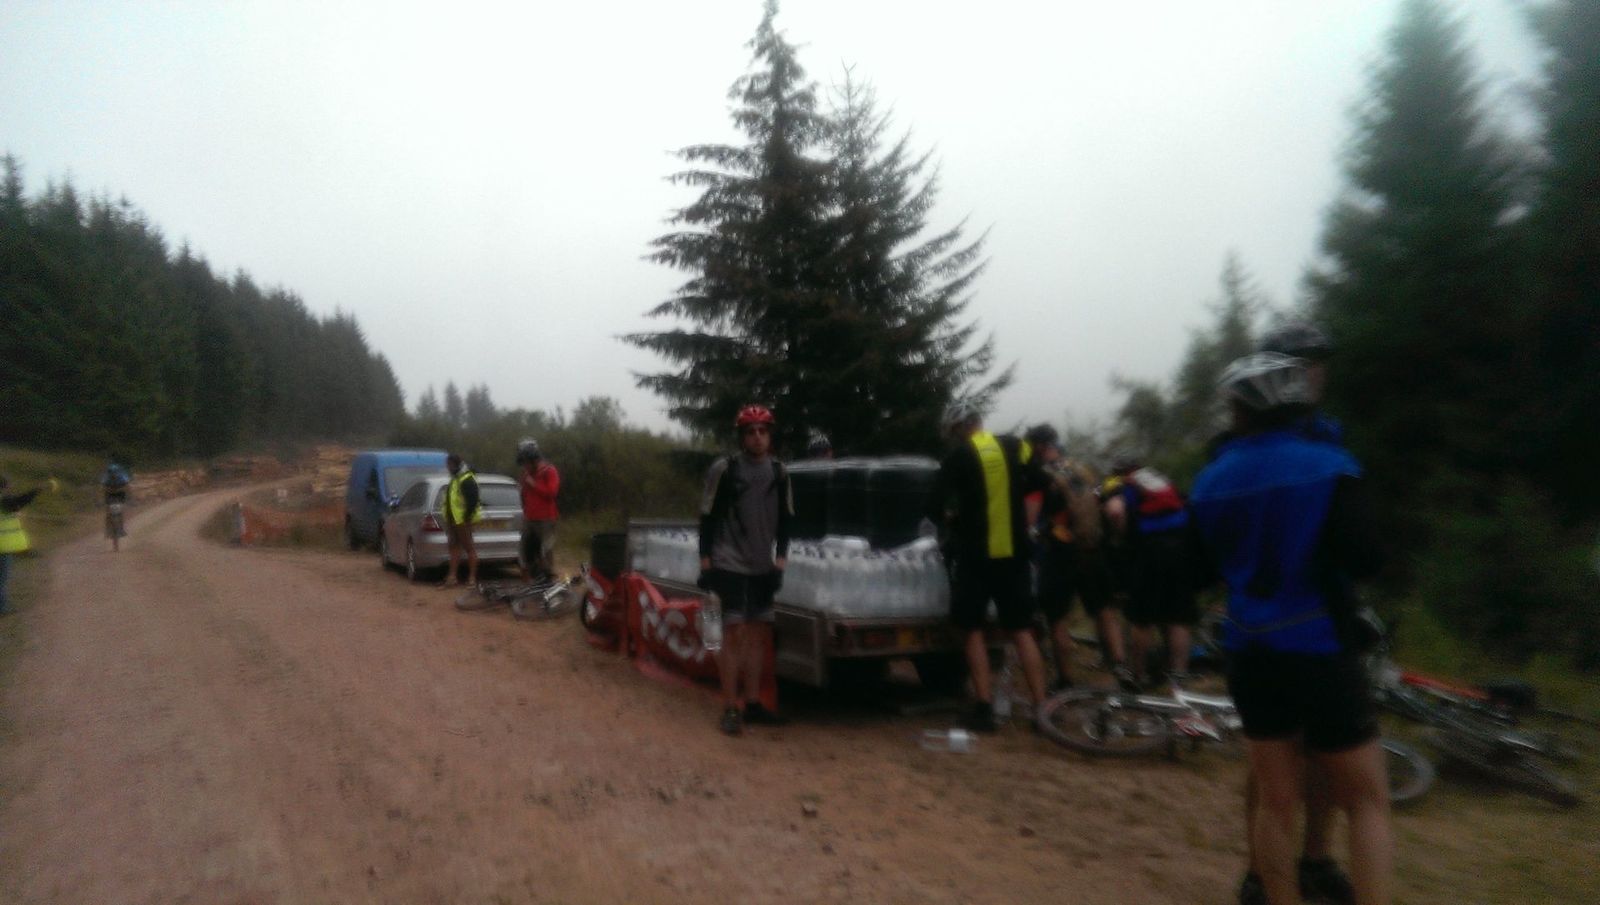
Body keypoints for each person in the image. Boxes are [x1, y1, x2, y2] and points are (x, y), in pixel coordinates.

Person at [1190, 353, 1392, 905]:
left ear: (1243, 410)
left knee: (1275, 801)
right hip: (1319, 643)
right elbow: (1367, 558)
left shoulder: (1211, 478)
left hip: (1249, 649)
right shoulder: (1330, 464)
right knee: (1367, 801)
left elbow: (1197, 570)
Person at [1230, 321, 1354, 905]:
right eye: (1305, 363)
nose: (1316, 373)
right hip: (1269, 621)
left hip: (1327, 613)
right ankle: (1260, 871)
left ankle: (1317, 857)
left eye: (1318, 362)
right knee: (1270, 761)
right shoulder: (1245, 440)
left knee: (1325, 753)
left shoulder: (1329, 434)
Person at [928, 402, 1050, 733]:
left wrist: (953, 517)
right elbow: (1041, 480)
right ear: (979, 421)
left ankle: (983, 709)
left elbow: (934, 504)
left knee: (971, 629)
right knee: (1021, 629)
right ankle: (1042, 710)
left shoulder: (958, 456)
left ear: (957, 429)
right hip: (1015, 554)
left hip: (976, 555)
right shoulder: (1015, 445)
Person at [698, 404, 794, 736]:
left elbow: (787, 521)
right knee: (734, 633)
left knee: (758, 635)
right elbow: (707, 518)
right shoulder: (725, 469)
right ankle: (730, 707)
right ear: (742, 437)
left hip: (762, 565)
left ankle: (752, 704)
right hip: (729, 562)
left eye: (762, 431)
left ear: (770, 436)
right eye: (750, 432)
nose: (757, 437)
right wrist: (706, 564)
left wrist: (780, 562)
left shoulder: (780, 472)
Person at [1023, 425, 1135, 693]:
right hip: (1091, 548)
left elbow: (1030, 519)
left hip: (1059, 551)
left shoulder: (1039, 476)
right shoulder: (1081, 468)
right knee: (1104, 610)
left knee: (1057, 618)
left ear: (1038, 446)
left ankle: (1065, 678)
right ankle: (1120, 666)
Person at [1103, 456, 1197, 688]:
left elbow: (1115, 511)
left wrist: (1121, 536)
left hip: (1148, 551)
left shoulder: (1123, 486)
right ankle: (1179, 676)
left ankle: (1138, 674)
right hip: (1180, 548)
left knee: (1142, 618)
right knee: (1178, 617)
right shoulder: (1160, 480)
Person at [0, 474, 57, 615]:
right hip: (2, 548)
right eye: (8, 486)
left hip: (4, 548)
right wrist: (37, 490)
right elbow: (19, 502)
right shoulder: (3, 501)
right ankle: (2, 608)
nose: (10, 489)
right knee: (2, 579)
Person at [515, 438, 560, 582]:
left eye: (527, 463)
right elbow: (524, 494)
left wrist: (534, 484)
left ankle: (548, 578)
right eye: (523, 463)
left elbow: (552, 493)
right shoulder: (526, 474)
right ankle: (529, 578)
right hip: (529, 517)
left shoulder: (549, 471)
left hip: (546, 518)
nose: (525, 466)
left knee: (545, 549)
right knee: (525, 549)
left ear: (534, 460)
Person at [440, 453, 482, 587]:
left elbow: (473, 501)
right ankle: (452, 577)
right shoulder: (455, 479)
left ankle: (472, 579)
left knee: (469, 548)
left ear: (454, 464)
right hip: (453, 520)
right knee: (453, 548)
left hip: (463, 520)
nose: (447, 467)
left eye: (449, 465)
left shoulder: (467, 479)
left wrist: (466, 518)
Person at [101, 458, 132, 552]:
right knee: (108, 512)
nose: (113, 474)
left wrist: (129, 496)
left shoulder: (121, 476)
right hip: (111, 494)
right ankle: (109, 528)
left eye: (114, 472)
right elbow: (102, 488)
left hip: (118, 494)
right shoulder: (107, 477)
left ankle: (119, 527)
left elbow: (127, 487)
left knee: (119, 511)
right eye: (112, 473)